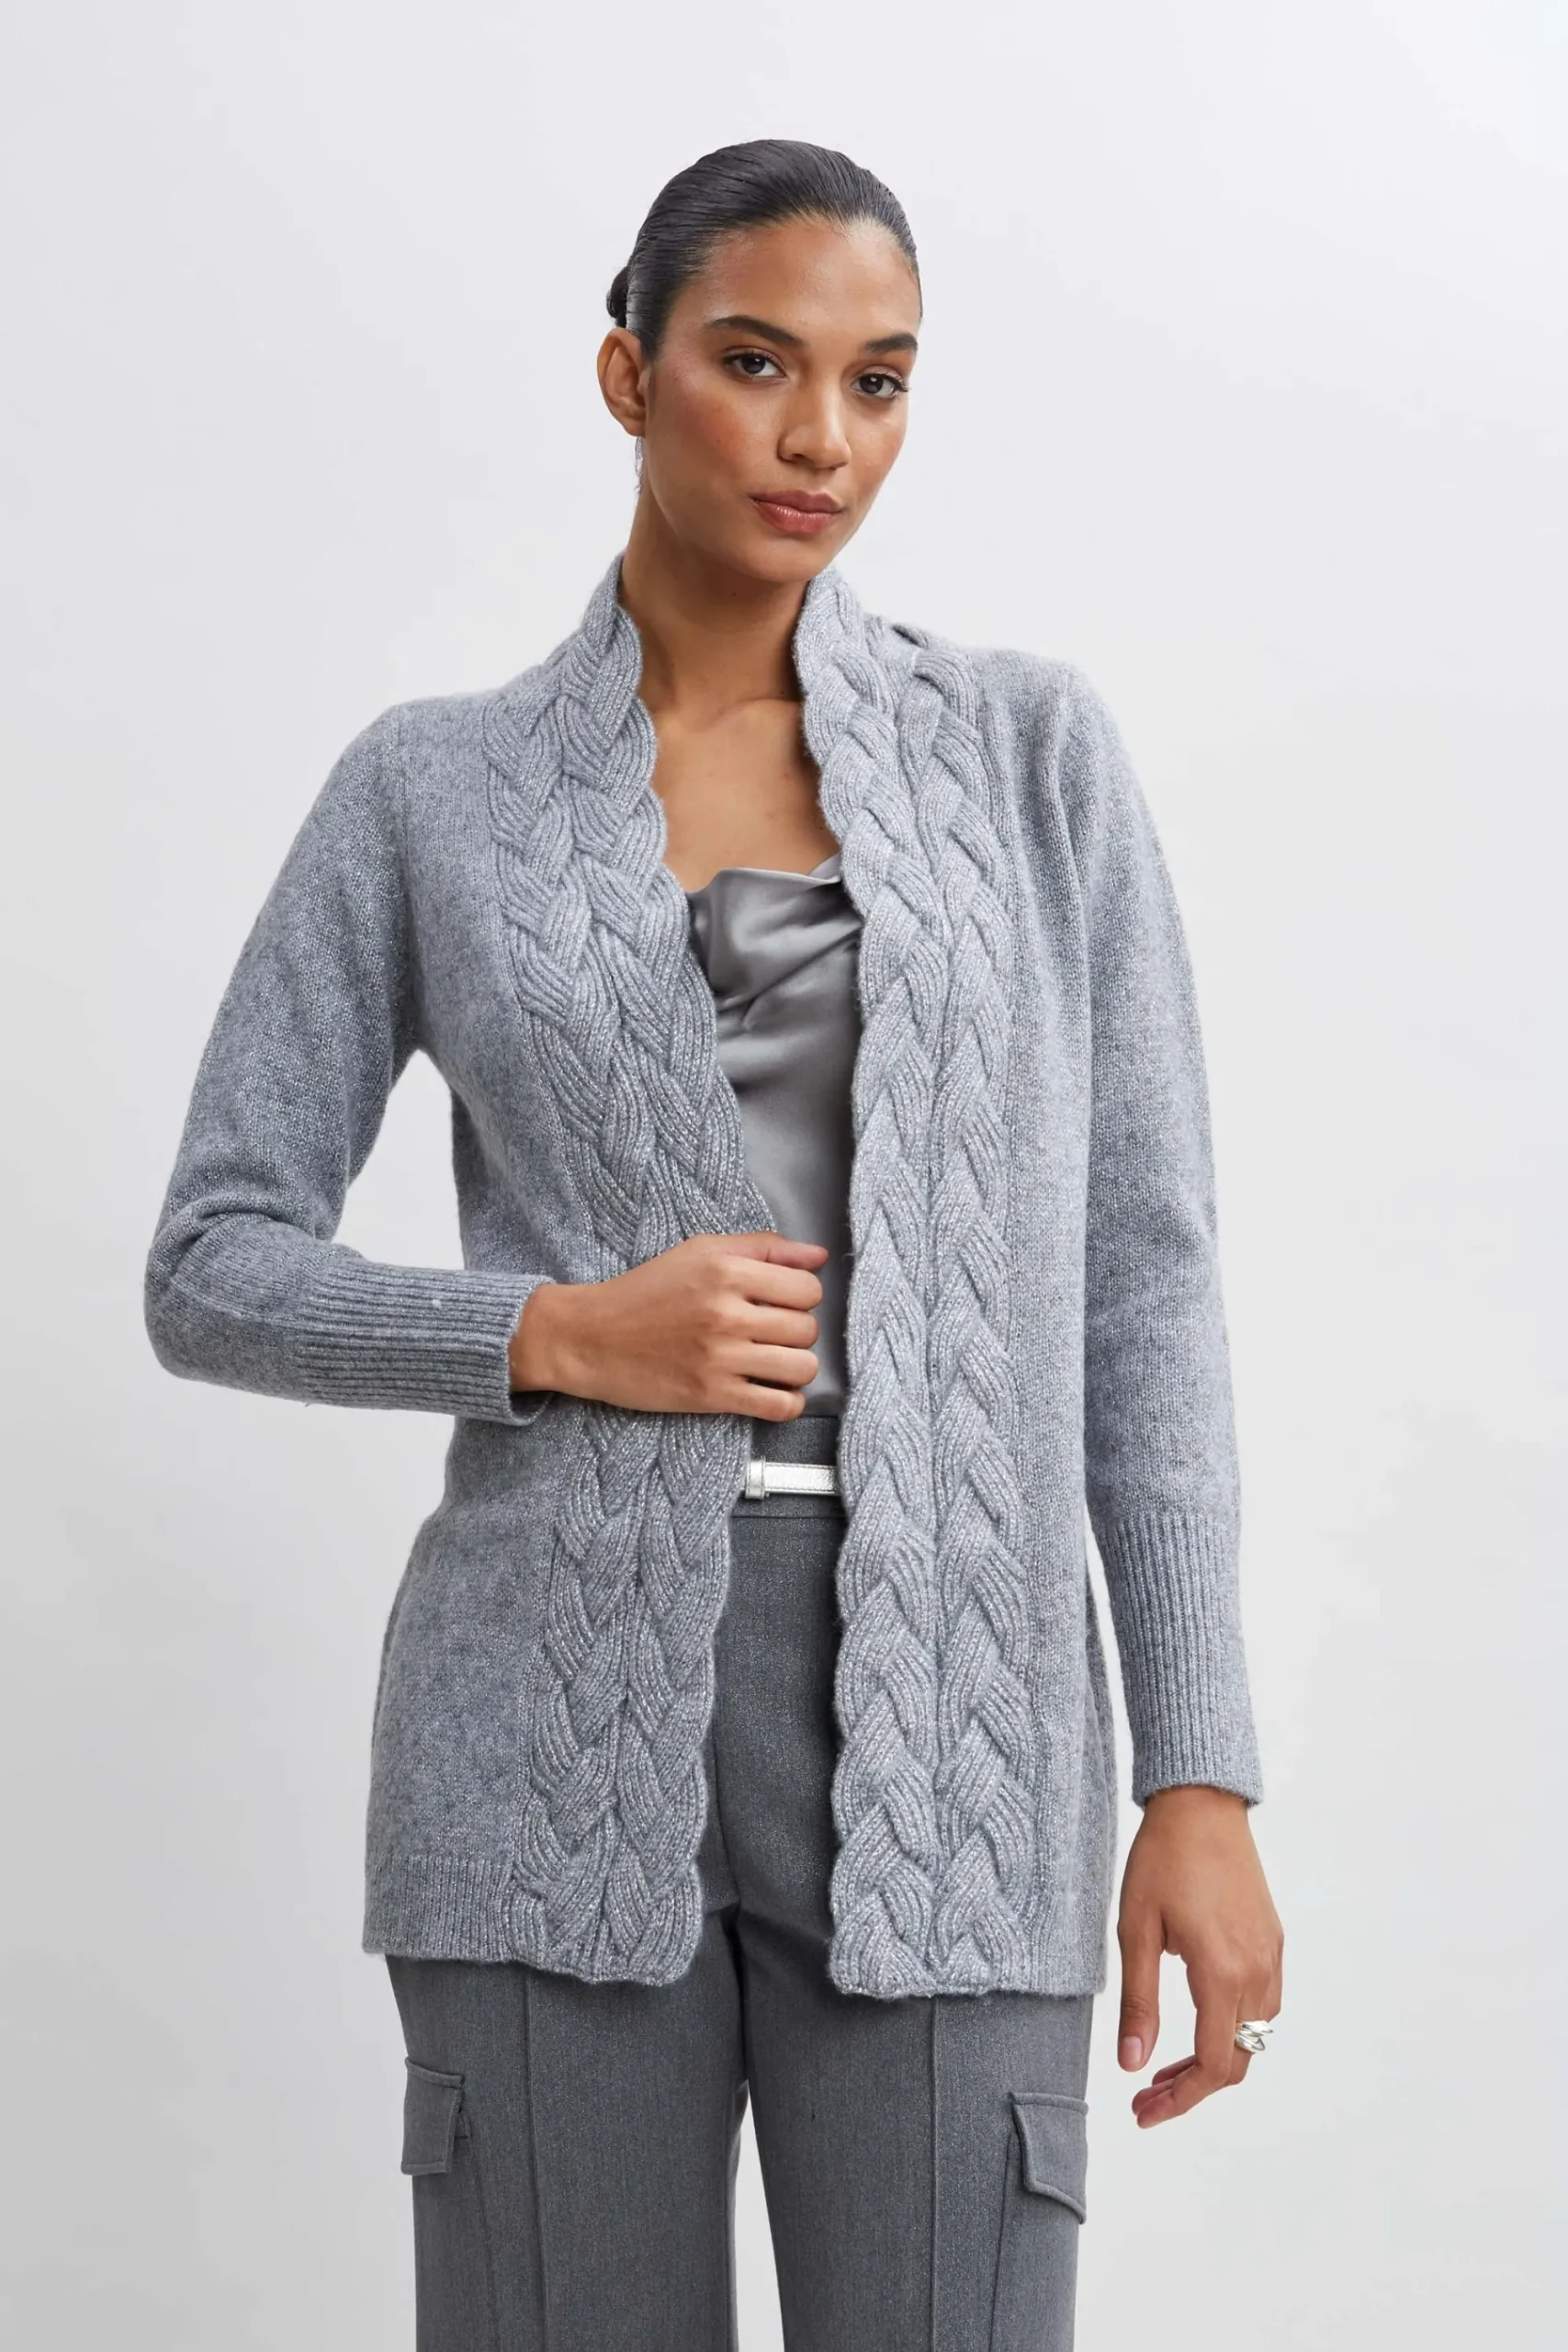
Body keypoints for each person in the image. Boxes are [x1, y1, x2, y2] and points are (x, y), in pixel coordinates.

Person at [144, 137, 1283, 2352]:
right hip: (537, 1723)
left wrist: (1199, 1770)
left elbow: (1143, 1279)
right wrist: (557, 1331)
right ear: (626, 371)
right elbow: (213, 1255)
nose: (817, 435)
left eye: (878, 380)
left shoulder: (1032, 756)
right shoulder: (430, 790)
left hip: (963, 1716)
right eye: (754, 362)